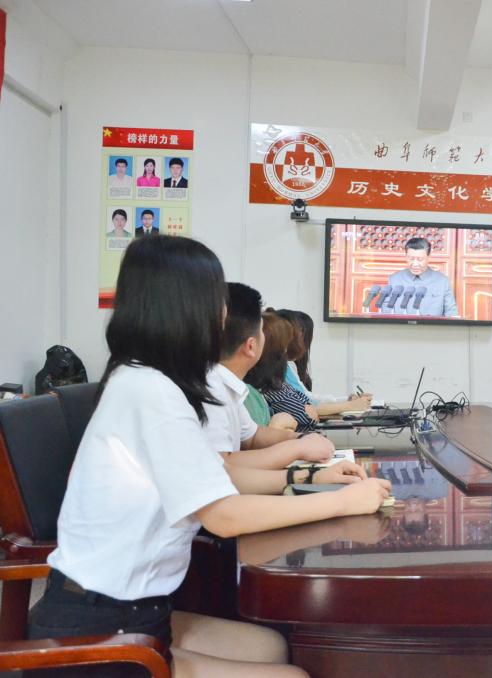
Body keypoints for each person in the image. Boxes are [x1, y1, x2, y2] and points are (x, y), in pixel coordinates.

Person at [26, 235, 391, 677]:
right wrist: (343, 501)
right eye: (217, 297)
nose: (223, 312)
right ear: (189, 305)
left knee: (270, 646)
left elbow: (220, 471)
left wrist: (313, 480)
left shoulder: (148, 380)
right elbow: (224, 515)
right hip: (99, 628)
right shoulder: (151, 391)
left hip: (133, 609)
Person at [205, 283, 339, 470]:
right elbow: (225, 467)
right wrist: (298, 450)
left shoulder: (230, 386)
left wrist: (301, 438)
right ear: (251, 346)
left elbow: (253, 436)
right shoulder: (212, 389)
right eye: (261, 331)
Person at [247, 312, 370, 431]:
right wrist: (279, 425)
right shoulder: (261, 386)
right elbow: (305, 413)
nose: (286, 347)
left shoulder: (278, 375)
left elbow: (304, 399)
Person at [386, 237, 457, 317]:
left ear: (428, 257)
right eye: (411, 259)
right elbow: (386, 311)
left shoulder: (442, 281)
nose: (415, 264)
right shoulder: (395, 279)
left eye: (420, 259)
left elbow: (451, 313)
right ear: (406, 256)